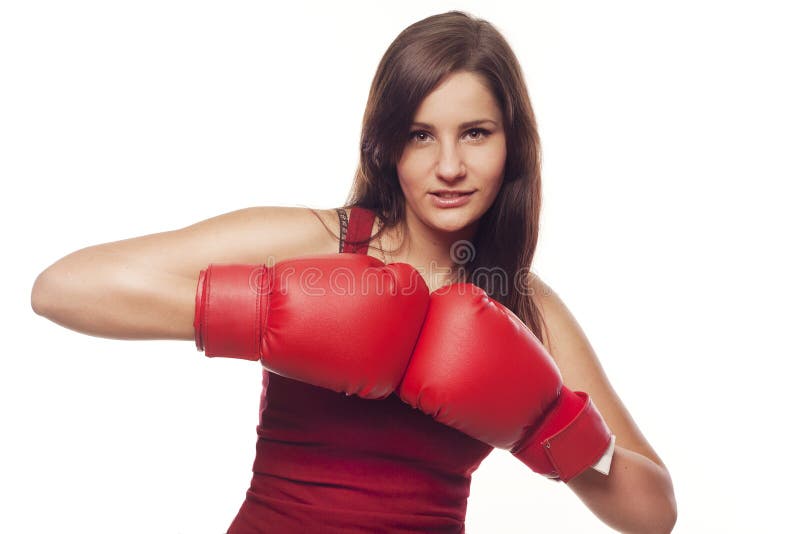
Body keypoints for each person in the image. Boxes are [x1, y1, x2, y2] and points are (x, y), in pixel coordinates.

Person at [30, 10, 677, 534]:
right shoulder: (315, 243)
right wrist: (275, 317)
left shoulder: (524, 304)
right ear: (386, 143)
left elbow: (654, 514)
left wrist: (546, 426)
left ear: (512, 144)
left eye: (475, 133)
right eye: (421, 135)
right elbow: (62, 288)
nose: (449, 165)